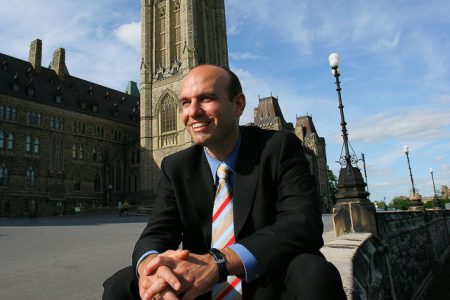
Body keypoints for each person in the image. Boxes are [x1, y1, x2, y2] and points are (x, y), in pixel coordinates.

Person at [103, 64, 346, 300]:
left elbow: (302, 224)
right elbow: (156, 233)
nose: (193, 112)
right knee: (122, 284)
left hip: (265, 284)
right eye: (185, 103)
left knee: (313, 271)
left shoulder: (279, 148)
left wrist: (220, 262)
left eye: (206, 99)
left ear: (238, 105)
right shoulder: (176, 166)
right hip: (196, 290)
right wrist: (149, 266)